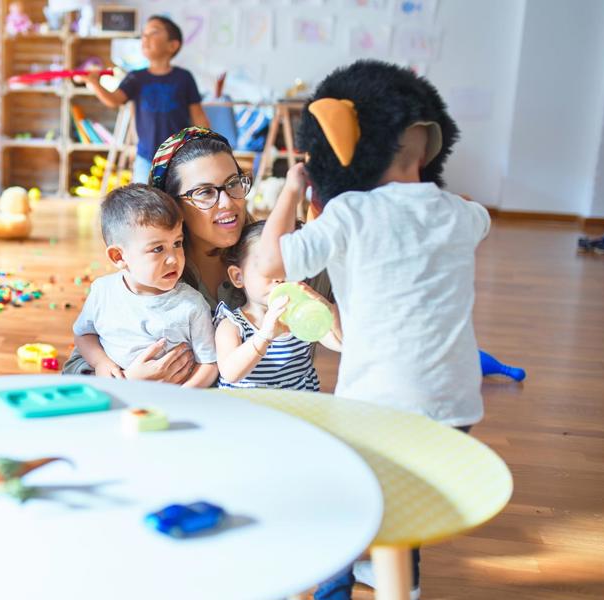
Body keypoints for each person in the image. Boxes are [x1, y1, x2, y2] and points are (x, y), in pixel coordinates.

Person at [256, 60, 489, 599]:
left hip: (379, 406)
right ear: (430, 150)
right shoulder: (461, 214)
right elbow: (481, 217)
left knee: (347, 491)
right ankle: (397, 580)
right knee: (408, 499)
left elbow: (268, 264)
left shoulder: (350, 214)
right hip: (456, 408)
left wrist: (293, 190)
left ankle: (348, 583)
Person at [62, 127, 332, 381]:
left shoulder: (280, 256)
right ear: (171, 205)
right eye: (204, 192)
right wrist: (127, 378)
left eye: (233, 184)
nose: (227, 203)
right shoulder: (148, 280)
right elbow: (76, 368)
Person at [73, 184, 219, 388]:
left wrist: (183, 394)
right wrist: (101, 362)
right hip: (118, 393)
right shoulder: (103, 291)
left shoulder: (192, 305)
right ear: (119, 256)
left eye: (177, 243)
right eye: (158, 249)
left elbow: (210, 364)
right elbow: (84, 333)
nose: (173, 259)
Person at [79, 15, 210, 184]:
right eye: (144, 34)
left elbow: (198, 115)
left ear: (173, 45)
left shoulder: (184, 78)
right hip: (146, 156)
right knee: (143, 202)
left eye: (153, 32)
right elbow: (114, 100)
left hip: (180, 155)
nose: (145, 38)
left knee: (177, 202)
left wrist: (207, 146)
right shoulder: (136, 77)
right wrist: (94, 82)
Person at [215, 220, 341, 389]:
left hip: (297, 409)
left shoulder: (301, 316)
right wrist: (264, 336)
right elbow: (230, 373)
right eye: (266, 267)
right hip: (248, 412)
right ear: (239, 277)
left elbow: (342, 343)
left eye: (287, 266)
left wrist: (327, 310)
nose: (279, 276)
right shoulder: (231, 325)